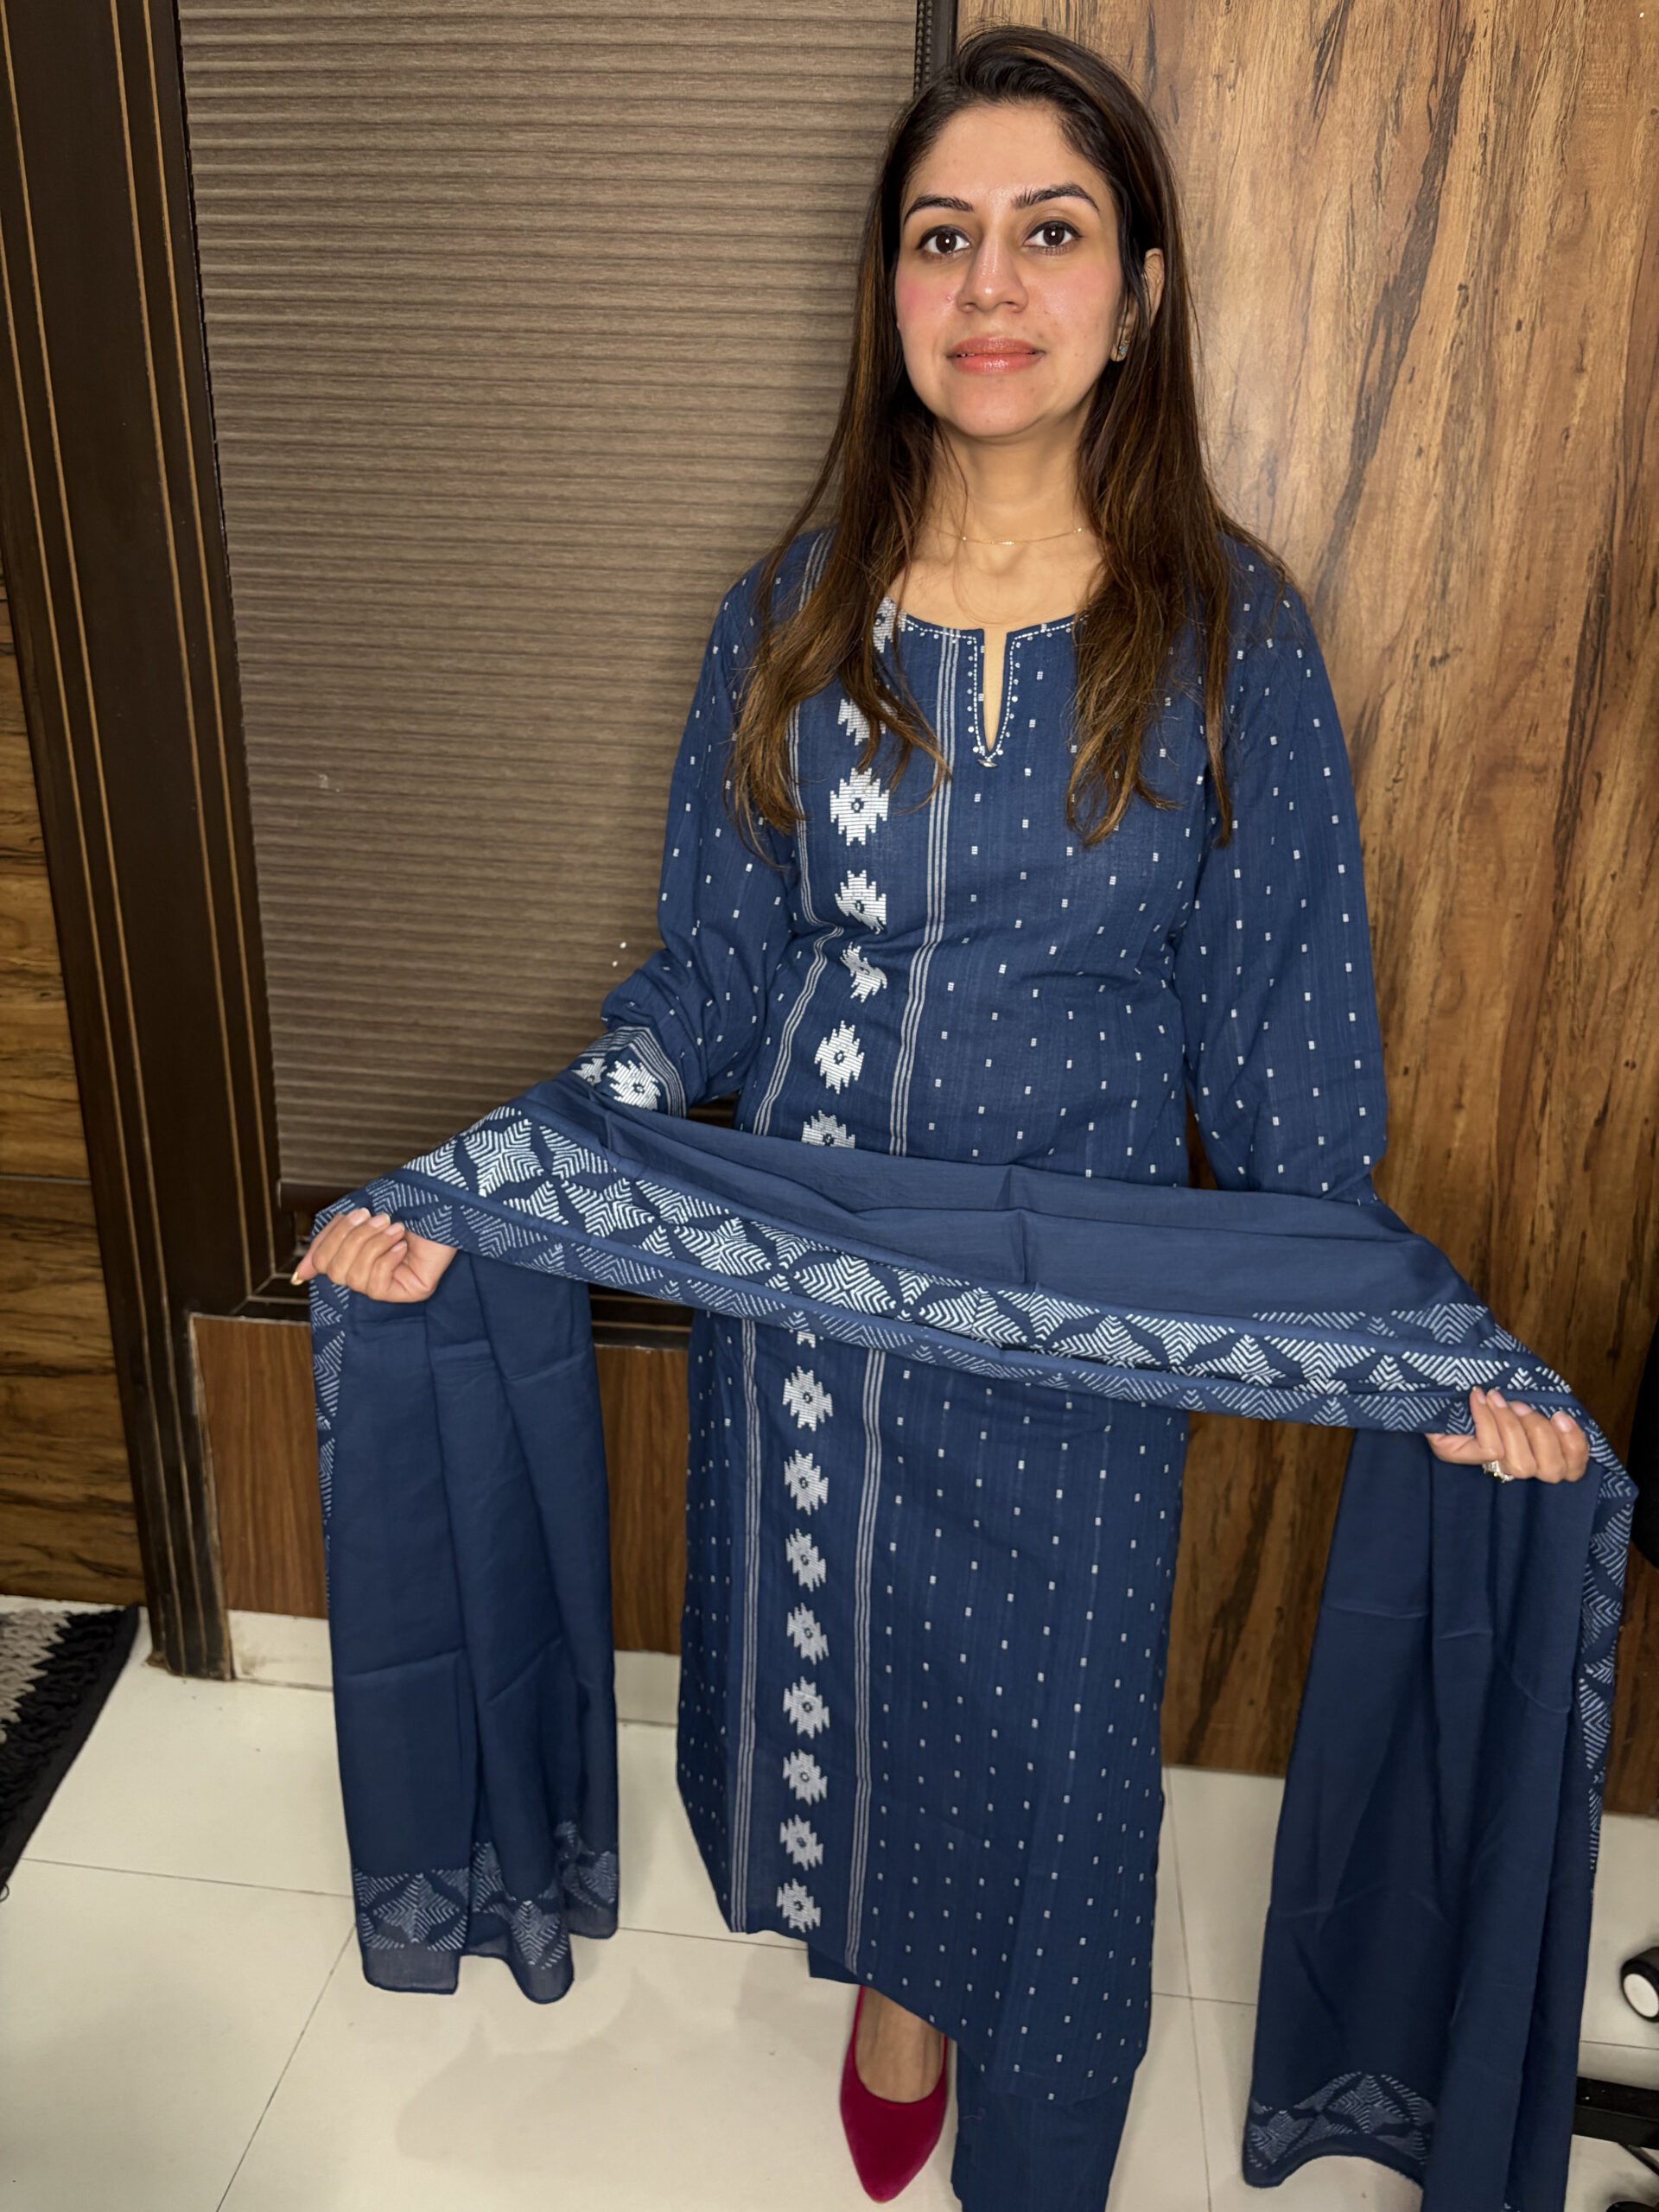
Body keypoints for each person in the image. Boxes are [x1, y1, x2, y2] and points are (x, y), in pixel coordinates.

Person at [296, 26, 1589, 2209]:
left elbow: (1290, 1070)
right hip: (799, 1310)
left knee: (1062, 1784)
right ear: (890, 291)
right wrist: (501, 1177)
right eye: (941, 238)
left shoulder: (1230, 635)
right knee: (854, 1700)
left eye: (1049, 234)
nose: (991, 286)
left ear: (1139, 293)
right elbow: (709, 972)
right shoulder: (791, 610)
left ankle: (1038, 2139)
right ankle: (896, 1994)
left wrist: (1415, 1344)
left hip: (1066, 1337)